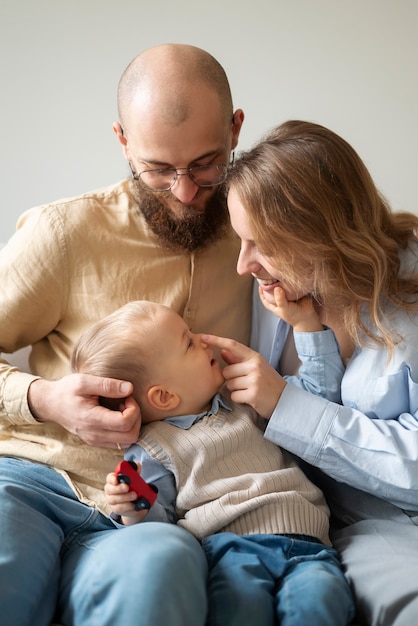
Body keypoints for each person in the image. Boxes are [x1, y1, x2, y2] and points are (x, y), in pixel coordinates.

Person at [0, 43, 253, 626]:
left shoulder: (257, 239)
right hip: (30, 479)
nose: (185, 191)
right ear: (122, 142)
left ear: (236, 130)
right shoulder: (63, 233)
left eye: (207, 164)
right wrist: (44, 398)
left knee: (163, 568)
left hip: (148, 513)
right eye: (159, 169)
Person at [202, 119, 418, 626]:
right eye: (241, 241)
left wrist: (287, 406)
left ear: (316, 233)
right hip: (353, 526)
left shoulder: (405, 293)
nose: (243, 264)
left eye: (260, 243)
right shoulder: (280, 294)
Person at [71, 299, 354, 626]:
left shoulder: (247, 400)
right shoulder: (152, 450)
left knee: (323, 603)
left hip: (311, 547)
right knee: (239, 612)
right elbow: (159, 530)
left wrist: (306, 326)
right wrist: (134, 509)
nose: (204, 339)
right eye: (189, 342)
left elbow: (314, 403)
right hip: (229, 554)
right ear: (165, 396)